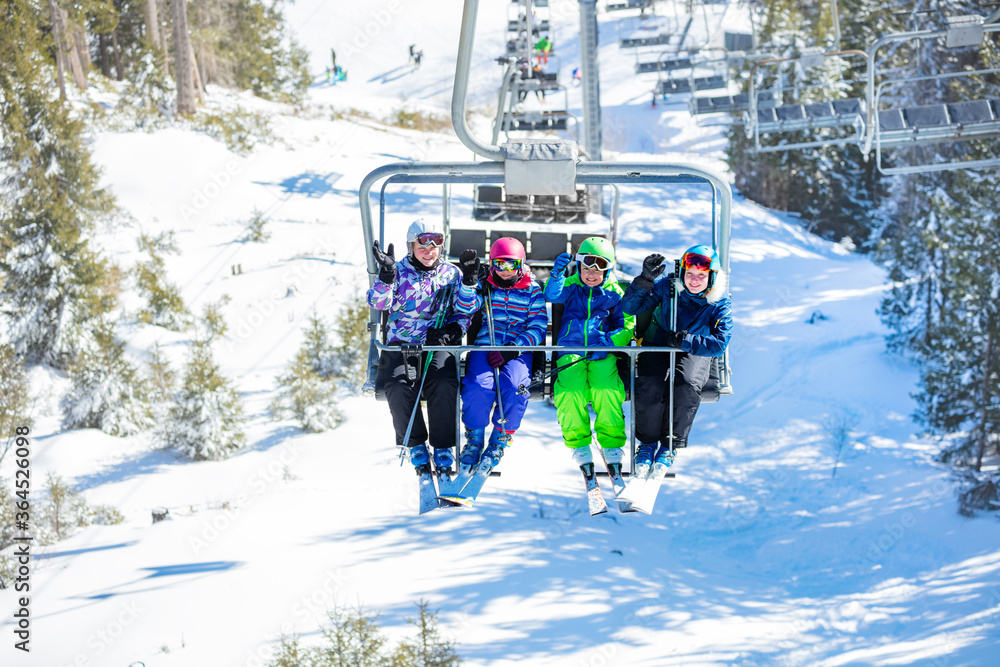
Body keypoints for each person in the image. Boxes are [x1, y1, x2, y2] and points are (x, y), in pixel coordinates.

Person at [367, 219, 480, 476]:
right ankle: (415, 442)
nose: (429, 250)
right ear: (411, 246)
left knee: (443, 382)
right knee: (396, 384)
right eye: (422, 244)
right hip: (402, 343)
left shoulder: (452, 274)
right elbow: (378, 302)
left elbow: (465, 311)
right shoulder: (399, 271)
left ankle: (442, 446)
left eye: (436, 243)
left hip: (437, 341)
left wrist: (453, 330)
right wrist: (386, 276)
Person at [622, 245, 733, 476]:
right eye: (690, 274)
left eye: (701, 276)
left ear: (711, 277)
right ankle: (647, 443)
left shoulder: (718, 302)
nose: (694, 281)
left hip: (695, 346)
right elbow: (631, 307)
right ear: (682, 272)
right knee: (650, 382)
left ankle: (670, 445)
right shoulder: (669, 287)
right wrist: (644, 281)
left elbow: (720, 343)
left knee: (686, 383)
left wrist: (687, 340)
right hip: (661, 341)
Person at [544, 238, 635, 481]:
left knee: (606, 388)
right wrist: (556, 274)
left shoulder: (615, 294)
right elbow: (552, 295)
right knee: (570, 390)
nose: (591, 275)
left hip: (601, 351)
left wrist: (608, 343)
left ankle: (612, 443)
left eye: (597, 269)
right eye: (586, 268)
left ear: (608, 269)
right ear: (579, 267)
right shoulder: (572, 286)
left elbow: (626, 326)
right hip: (571, 350)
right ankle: (579, 443)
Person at [455, 237, 547, 472]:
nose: (505, 271)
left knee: (516, 386)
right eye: (499, 265)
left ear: (522, 264)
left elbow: (538, 326)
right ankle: (474, 439)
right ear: (492, 264)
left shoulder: (532, 290)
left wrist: (514, 348)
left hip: (517, 350)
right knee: (478, 386)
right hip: (486, 345)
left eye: (512, 265)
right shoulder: (485, 286)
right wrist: (469, 283)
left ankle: (499, 439)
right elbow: (466, 308)